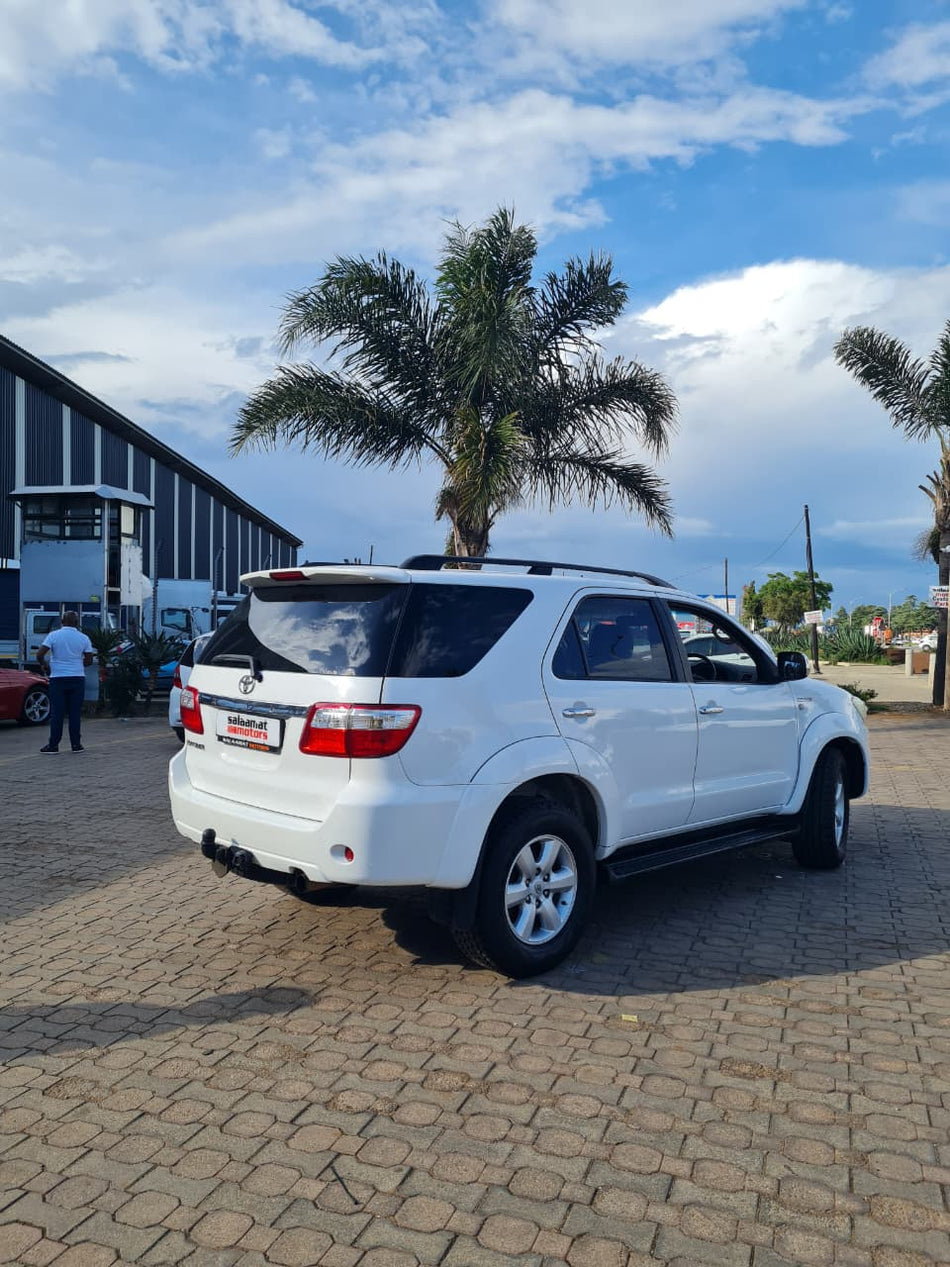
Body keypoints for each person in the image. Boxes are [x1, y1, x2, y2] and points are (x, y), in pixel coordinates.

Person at [36, 612, 94, 753]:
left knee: (57, 713)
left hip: (57, 678)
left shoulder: (53, 636)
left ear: (62, 621)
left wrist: (45, 665)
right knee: (75, 713)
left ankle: (53, 745)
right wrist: (77, 664)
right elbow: (89, 660)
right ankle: (76, 745)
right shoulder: (84, 638)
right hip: (77, 678)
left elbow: (40, 654)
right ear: (77, 622)